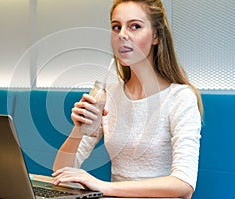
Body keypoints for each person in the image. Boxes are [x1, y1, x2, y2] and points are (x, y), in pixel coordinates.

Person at [52, 0, 203, 198]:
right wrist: (78, 130)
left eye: (135, 26)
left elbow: (184, 183)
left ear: (156, 36)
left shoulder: (180, 98)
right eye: (116, 27)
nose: (122, 34)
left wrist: (103, 187)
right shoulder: (108, 96)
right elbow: (60, 171)